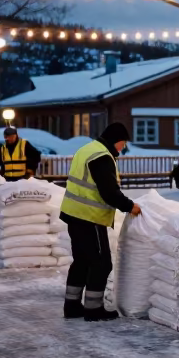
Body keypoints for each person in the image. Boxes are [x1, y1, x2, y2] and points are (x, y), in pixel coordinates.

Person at [60, 122, 142, 321]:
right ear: (116, 140)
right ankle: (93, 309)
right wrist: (130, 206)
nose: (123, 147)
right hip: (89, 216)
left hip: (73, 213)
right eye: (123, 143)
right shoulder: (102, 157)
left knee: (81, 260)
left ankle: (72, 306)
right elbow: (108, 192)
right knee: (101, 262)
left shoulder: (87, 149)